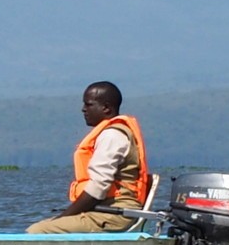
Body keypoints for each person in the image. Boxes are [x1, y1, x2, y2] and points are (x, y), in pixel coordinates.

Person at [27, 81, 150, 234]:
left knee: (38, 231)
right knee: (47, 225)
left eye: (89, 104)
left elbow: (97, 188)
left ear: (106, 108)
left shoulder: (111, 136)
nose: (83, 109)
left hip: (115, 215)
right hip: (107, 211)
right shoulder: (113, 133)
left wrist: (63, 217)